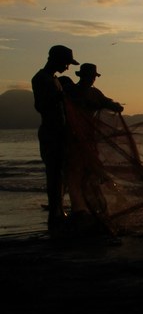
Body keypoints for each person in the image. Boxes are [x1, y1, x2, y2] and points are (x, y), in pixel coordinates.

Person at [61, 63, 123, 234]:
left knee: (92, 172)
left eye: (93, 76)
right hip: (73, 138)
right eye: (90, 76)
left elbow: (106, 102)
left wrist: (115, 106)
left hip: (88, 138)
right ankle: (79, 209)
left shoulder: (95, 93)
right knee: (75, 172)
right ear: (82, 76)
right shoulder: (70, 91)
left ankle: (93, 207)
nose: (92, 78)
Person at [31, 45, 79, 234]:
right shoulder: (40, 78)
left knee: (61, 172)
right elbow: (40, 106)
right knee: (54, 173)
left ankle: (59, 211)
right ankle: (55, 214)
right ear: (56, 60)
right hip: (51, 132)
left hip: (61, 132)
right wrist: (60, 96)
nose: (68, 67)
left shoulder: (55, 80)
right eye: (66, 63)